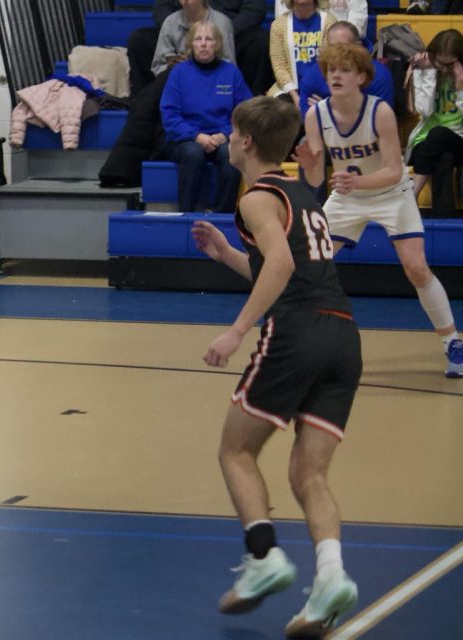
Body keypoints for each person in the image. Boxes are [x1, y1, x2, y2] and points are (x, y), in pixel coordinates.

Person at [191, 95, 361, 637]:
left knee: (235, 449)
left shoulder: (257, 199)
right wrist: (227, 256)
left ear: (243, 141)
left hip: (296, 334)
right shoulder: (302, 194)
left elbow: (283, 266)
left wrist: (238, 330)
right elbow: (284, 267)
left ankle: (264, 559)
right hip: (342, 337)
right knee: (307, 473)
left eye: (233, 130)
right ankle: (331, 577)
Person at [297, 43, 463, 377]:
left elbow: (394, 170)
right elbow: (316, 178)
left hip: (390, 192)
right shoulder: (316, 115)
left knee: (415, 267)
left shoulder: (380, 111)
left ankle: (452, 341)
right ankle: (308, 345)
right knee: (308, 266)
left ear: (361, 77)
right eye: (331, 70)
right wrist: (311, 165)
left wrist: (357, 183)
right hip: (347, 196)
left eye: (344, 70)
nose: (336, 76)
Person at [160, 21, 251, 213]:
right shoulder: (178, 73)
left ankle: (222, 214)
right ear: (191, 44)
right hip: (186, 139)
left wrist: (224, 134)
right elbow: (169, 114)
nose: (203, 44)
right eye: (198, 39)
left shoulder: (231, 73)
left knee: (231, 153)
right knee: (193, 153)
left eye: (208, 39)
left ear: (217, 44)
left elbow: (246, 112)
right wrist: (196, 136)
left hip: (222, 137)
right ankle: (187, 213)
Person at [128, 0, 268, 97]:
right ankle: (144, 100)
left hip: (229, 32)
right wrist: (187, 34)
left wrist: (216, 33)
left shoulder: (223, 25)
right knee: (139, 39)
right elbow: (161, 8)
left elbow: (254, 10)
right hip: (182, 29)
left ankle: (251, 105)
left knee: (259, 41)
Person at [407, 30, 463, 219]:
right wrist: (428, 74)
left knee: (439, 133)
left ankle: (411, 194)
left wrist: (460, 87)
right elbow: (424, 111)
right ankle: (443, 223)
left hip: (459, 140)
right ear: (431, 56)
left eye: (451, 64)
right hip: (426, 142)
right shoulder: (423, 70)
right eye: (441, 63)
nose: (445, 69)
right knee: (443, 158)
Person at [295, 21, 393, 119]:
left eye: (343, 47)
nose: (337, 52)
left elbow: (379, 121)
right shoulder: (312, 76)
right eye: (332, 47)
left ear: (358, 46)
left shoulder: (379, 75)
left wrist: (326, 111)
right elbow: (308, 120)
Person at [268, 0, 336, 111]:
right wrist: (296, 97)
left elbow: (331, 63)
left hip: (321, 87)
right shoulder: (279, 25)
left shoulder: (329, 22)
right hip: (289, 90)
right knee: (280, 110)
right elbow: (279, 66)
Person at [151, 0, 238, 83]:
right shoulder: (170, 22)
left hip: (211, 81)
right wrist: (173, 67)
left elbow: (230, 66)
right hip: (178, 80)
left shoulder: (221, 23)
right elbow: (158, 66)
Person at [274, 0, 366, 38]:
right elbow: (283, 21)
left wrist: (341, 39)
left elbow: (358, 16)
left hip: (342, 43)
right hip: (298, 39)